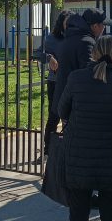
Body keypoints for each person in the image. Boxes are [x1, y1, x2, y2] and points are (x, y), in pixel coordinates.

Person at [57, 35, 112, 221]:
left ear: (93, 53)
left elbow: (62, 111)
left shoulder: (76, 78)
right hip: (111, 155)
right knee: (110, 206)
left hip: (78, 155)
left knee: (78, 208)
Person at [39, 10, 71, 157]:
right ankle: (47, 149)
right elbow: (38, 53)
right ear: (61, 23)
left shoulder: (74, 37)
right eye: (67, 22)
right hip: (55, 82)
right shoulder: (51, 38)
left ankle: (68, 147)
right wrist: (49, 57)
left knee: (71, 115)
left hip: (71, 81)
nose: (69, 25)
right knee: (54, 115)